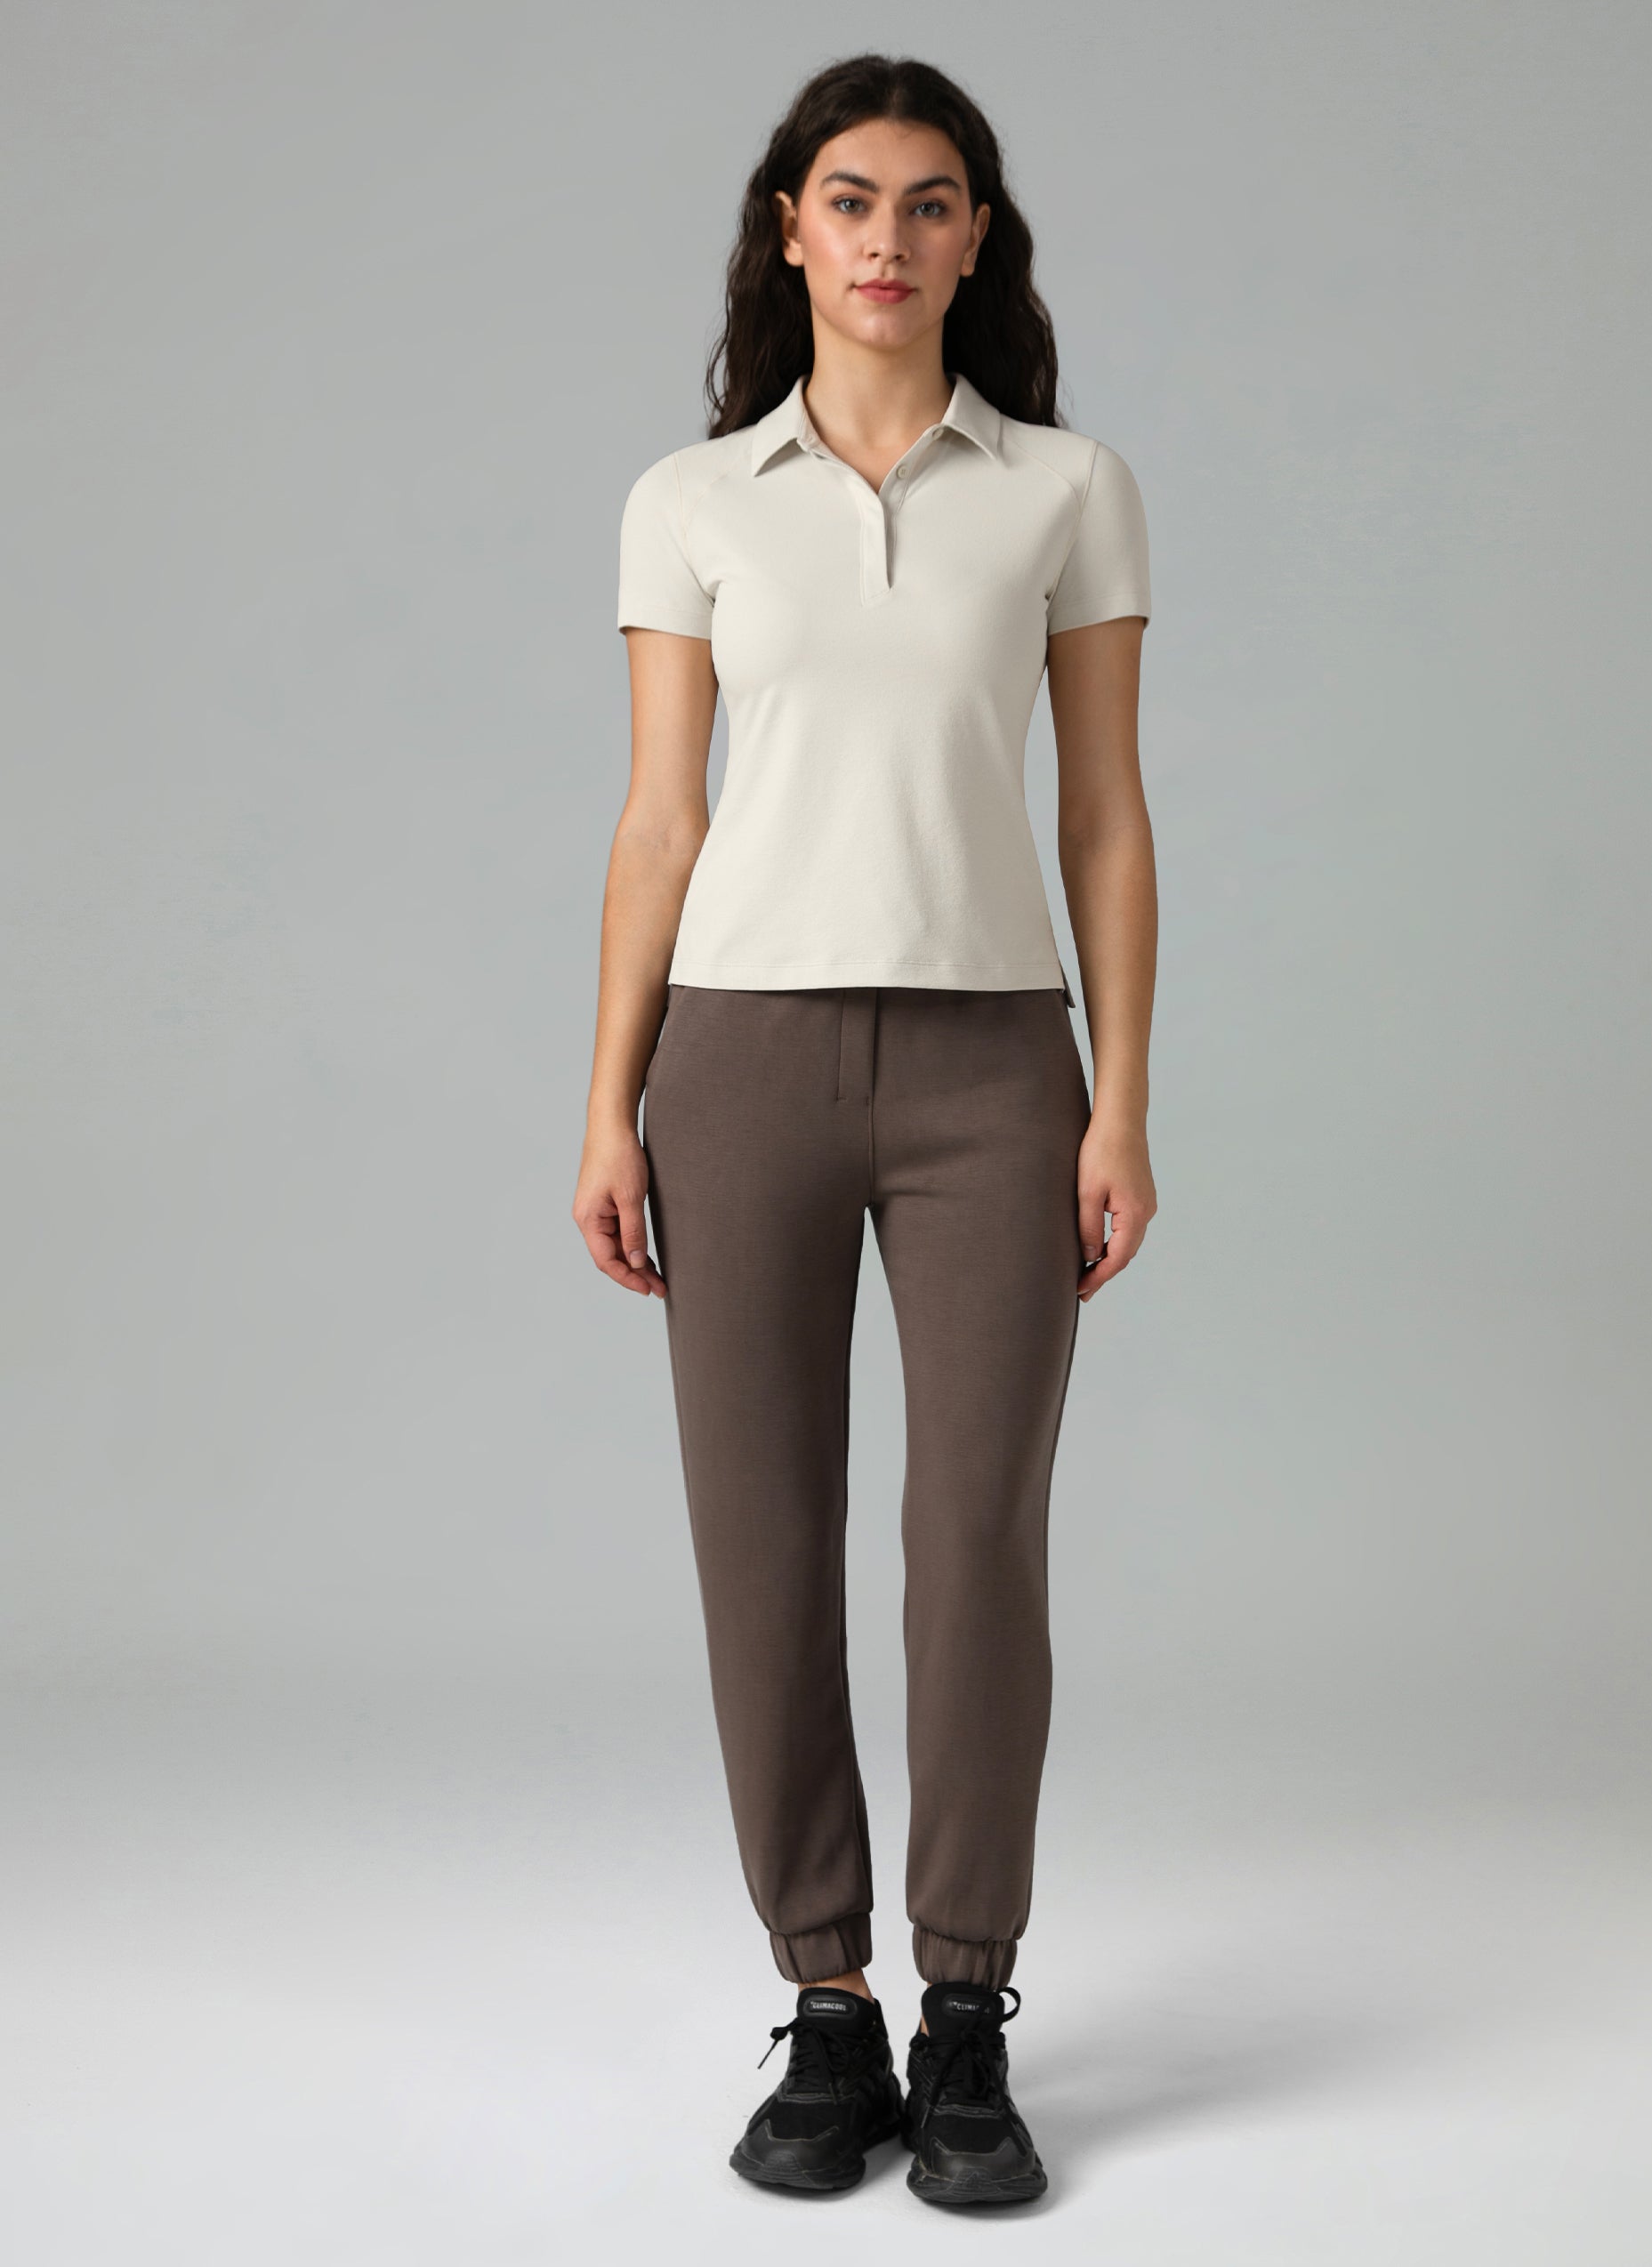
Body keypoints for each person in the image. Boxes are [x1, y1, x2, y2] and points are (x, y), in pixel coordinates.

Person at [574, 52, 1157, 2209]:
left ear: (975, 236)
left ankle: (965, 2002)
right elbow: (660, 818)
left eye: (928, 201)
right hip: (736, 1061)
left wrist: (1120, 1097)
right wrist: (607, 1100)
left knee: (975, 1539)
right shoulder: (692, 498)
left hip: (998, 1067)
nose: (887, 238)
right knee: (762, 1535)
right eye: (849, 198)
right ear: (790, 229)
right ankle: (827, 1997)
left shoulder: (1066, 488)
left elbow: (1105, 817)